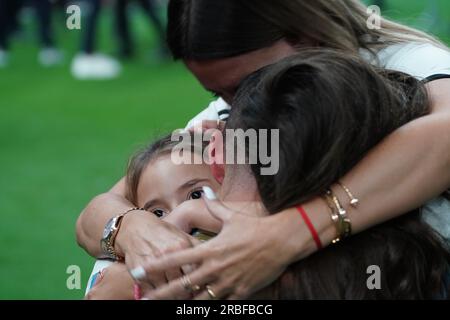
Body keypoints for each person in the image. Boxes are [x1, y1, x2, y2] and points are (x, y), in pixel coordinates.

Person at [76, 0, 450, 299]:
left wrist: (288, 233)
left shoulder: (413, 68)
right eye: (216, 93)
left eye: (243, 83)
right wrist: (132, 230)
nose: (229, 108)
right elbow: (101, 211)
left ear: (306, 35)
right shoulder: (238, 108)